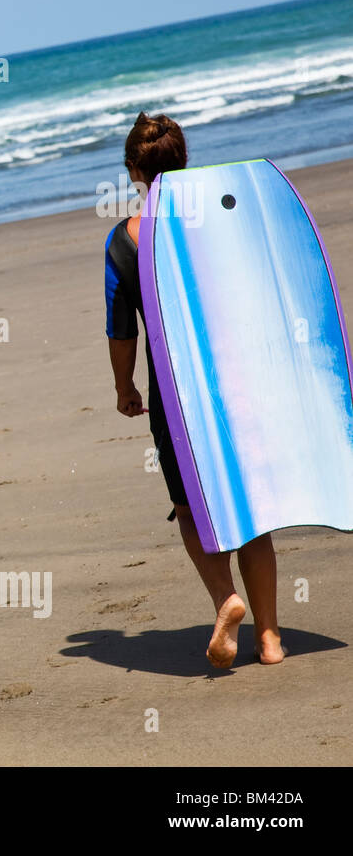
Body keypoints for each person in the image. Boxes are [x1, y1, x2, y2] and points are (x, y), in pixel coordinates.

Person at [104, 111, 283, 669]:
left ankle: (226, 599)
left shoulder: (124, 240)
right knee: (249, 505)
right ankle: (271, 638)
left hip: (175, 394)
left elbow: (121, 328)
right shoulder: (225, 214)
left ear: (134, 170)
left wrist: (124, 387)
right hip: (238, 380)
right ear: (183, 158)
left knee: (188, 506)